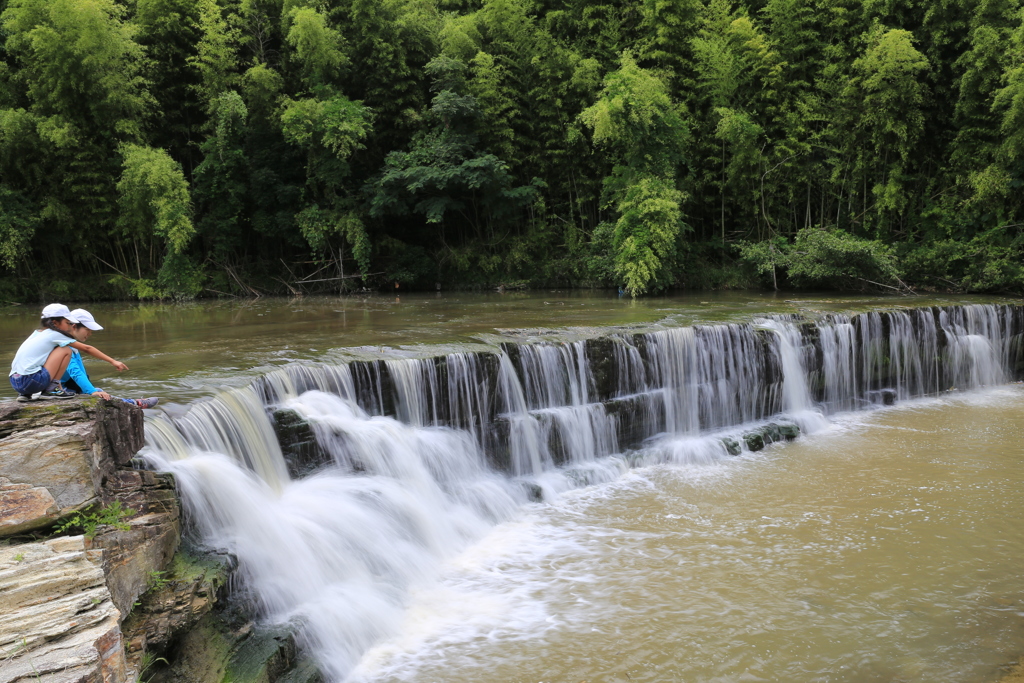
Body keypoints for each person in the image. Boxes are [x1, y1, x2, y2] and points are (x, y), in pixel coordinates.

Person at [61, 308, 158, 409]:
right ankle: (134, 404)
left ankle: (132, 403)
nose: (90, 333)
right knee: (99, 394)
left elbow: (88, 349)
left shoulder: (70, 343)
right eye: (87, 329)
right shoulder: (64, 347)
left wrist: (112, 361)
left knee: (99, 391)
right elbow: (75, 372)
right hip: (64, 389)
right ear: (74, 326)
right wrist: (91, 391)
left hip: (70, 386)